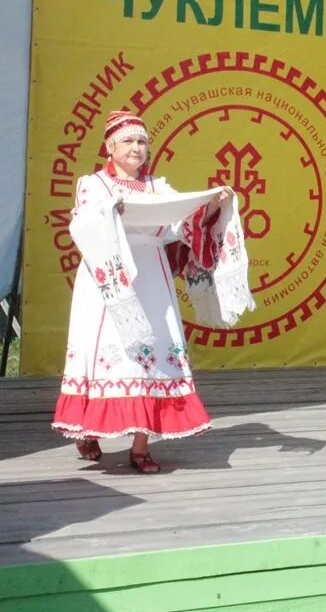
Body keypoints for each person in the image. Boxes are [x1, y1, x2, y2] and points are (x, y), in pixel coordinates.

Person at [52, 111, 237, 472]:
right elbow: (84, 223)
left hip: (152, 276)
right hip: (109, 281)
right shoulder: (93, 185)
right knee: (111, 353)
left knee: (152, 351)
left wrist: (212, 203)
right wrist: (110, 211)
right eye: (129, 141)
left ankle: (141, 444)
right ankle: (89, 428)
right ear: (110, 147)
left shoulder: (158, 187)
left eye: (142, 142)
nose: (137, 148)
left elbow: (183, 219)